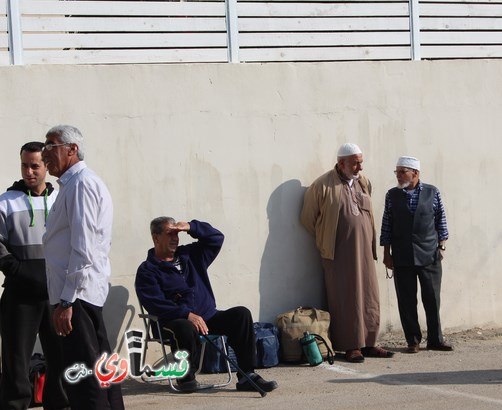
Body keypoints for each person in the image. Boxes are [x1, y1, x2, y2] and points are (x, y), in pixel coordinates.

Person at [41, 125, 127, 410]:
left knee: (85, 380)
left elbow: (84, 247)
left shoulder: (81, 185)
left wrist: (66, 301)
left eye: (51, 146)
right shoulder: (71, 186)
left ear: (72, 149)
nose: (45, 153)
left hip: (77, 296)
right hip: (79, 295)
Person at [135, 217, 278, 393]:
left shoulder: (190, 254)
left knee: (241, 314)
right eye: (169, 233)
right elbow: (155, 303)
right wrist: (186, 313)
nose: (175, 238)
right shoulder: (147, 270)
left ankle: (247, 375)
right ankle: (186, 377)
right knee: (185, 326)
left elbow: (216, 238)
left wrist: (190, 227)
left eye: (177, 233)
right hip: (172, 322)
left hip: (207, 316)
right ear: (156, 238)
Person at [0, 142, 75, 410]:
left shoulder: (62, 200)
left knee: (59, 356)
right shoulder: (5, 201)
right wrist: (16, 268)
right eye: (24, 165)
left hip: (56, 294)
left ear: (46, 165)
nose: (29, 171)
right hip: (19, 293)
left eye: (35, 166)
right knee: (15, 357)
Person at [300, 143, 394, 363]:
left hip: (364, 250)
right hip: (338, 253)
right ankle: (350, 346)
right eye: (355, 163)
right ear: (342, 163)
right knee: (345, 297)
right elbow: (307, 218)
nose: (359, 167)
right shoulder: (323, 185)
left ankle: (369, 343)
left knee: (369, 294)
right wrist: (328, 236)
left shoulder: (363, 182)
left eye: (361, 162)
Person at [380, 156, 452, 354]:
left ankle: (436, 340)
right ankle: (413, 340)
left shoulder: (432, 192)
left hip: (429, 254)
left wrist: (442, 247)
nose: (399, 175)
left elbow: (441, 221)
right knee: (406, 300)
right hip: (402, 255)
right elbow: (387, 224)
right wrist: (387, 253)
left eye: (402, 171)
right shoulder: (392, 195)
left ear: (415, 173)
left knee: (432, 298)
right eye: (397, 172)